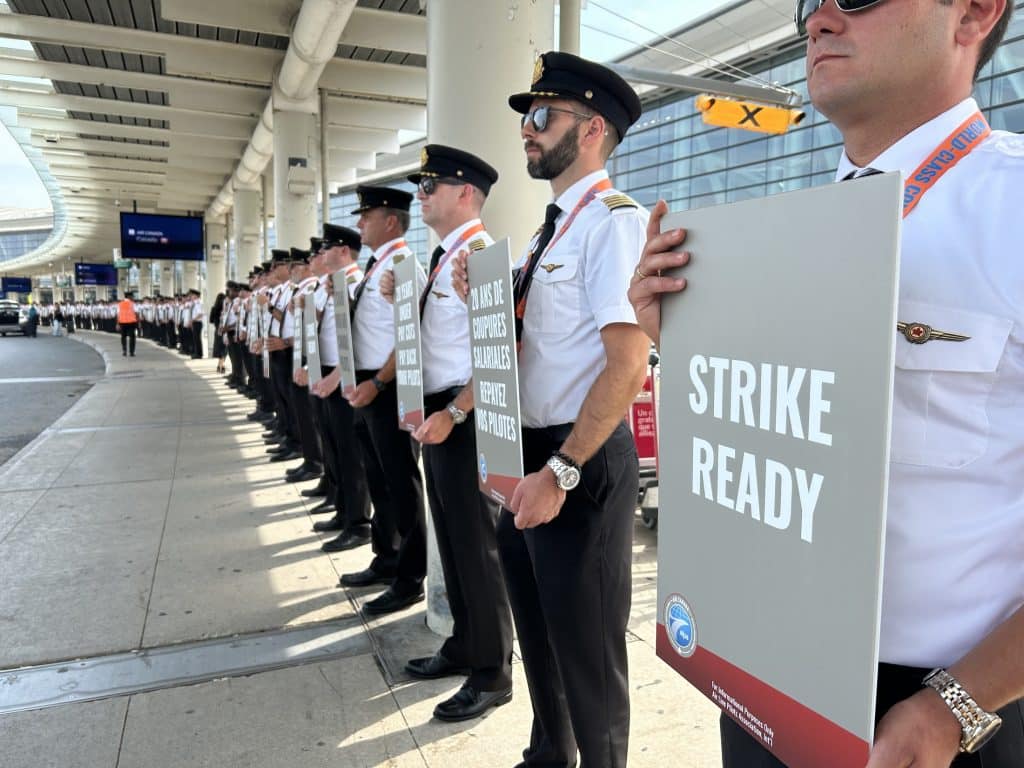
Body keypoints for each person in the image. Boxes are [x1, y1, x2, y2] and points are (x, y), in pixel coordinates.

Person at [629, 2, 1023, 766]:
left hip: (942, 714)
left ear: (973, 12)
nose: (820, 20)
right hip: (766, 677)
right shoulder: (784, 235)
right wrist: (683, 343)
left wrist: (958, 706)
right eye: (811, 3)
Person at [453, 51, 649, 766]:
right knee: (538, 635)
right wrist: (500, 453)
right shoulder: (548, 232)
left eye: (541, 117)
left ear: (592, 128)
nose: (527, 132)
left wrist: (561, 471)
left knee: (589, 658)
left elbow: (627, 364)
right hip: (528, 456)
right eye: (527, 120)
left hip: (581, 460)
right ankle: (548, 755)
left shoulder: (612, 224)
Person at [381, 144, 515, 722]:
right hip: (439, 413)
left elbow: (498, 355)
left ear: (466, 193)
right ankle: (465, 642)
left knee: (477, 547)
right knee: (453, 543)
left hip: (467, 417)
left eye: (432, 186)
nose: (422, 195)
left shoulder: (481, 258)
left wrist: (455, 414)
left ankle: (492, 671)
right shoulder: (439, 260)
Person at [326, 185, 428, 616]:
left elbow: (409, 338)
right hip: (368, 384)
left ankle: (410, 577)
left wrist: (379, 384)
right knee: (379, 479)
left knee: (400, 483)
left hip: (390, 387)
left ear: (390, 221)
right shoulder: (376, 266)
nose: (359, 224)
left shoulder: (404, 264)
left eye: (366, 217)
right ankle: (386, 557)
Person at [309, 225, 374, 550]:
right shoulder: (330, 285)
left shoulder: (353, 283)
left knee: (351, 456)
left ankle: (359, 523)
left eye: (326, 249)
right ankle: (343, 510)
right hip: (329, 377)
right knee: (333, 446)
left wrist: (336, 376)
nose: (320, 255)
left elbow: (353, 339)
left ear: (344, 251)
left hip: (344, 378)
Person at [117, 291, 138, 356]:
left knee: (123, 337)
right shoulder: (133, 304)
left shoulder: (120, 304)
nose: (133, 297)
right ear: (129, 296)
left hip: (122, 322)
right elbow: (136, 312)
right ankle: (131, 352)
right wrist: (138, 321)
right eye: (132, 296)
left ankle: (124, 351)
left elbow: (118, 314)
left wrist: (117, 323)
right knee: (132, 337)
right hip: (131, 322)